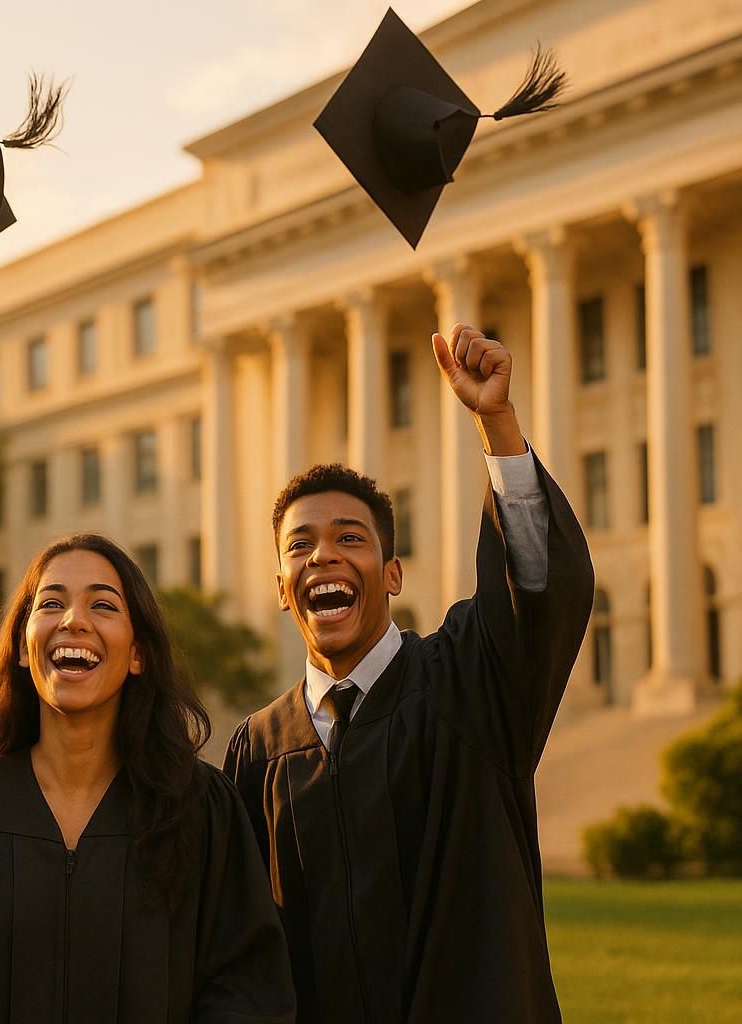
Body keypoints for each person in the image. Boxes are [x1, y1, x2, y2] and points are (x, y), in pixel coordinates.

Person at [225, 325, 595, 1023]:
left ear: (392, 574)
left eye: (350, 538)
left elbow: (539, 590)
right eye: (300, 545)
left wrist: (497, 422)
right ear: (281, 588)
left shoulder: (468, 684)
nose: (323, 556)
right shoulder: (258, 752)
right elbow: (236, 942)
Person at [0, 533, 297, 1023]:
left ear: (138, 653)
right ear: (23, 649)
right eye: (51, 603)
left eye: (103, 605)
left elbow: (247, 992)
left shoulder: (198, 810)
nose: (73, 620)